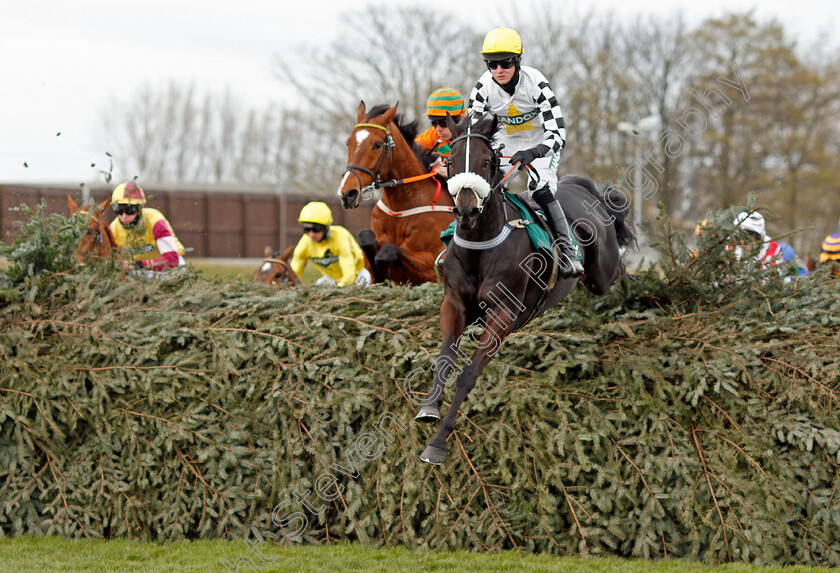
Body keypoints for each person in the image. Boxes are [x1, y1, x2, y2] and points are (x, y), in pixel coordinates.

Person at [467, 27, 583, 278]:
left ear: (518, 60)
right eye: (492, 64)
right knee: (480, 186)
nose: (499, 70)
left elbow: (559, 135)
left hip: (540, 142)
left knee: (540, 188)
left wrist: (534, 151)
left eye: (506, 62)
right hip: (504, 143)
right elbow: (473, 135)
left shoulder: (537, 83)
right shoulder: (481, 89)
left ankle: (568, 250)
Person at [108, 181, 186, 272]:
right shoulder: (112, 229)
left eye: (130, 210)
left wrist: (138, 265)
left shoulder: (155, 221)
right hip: (138, 271)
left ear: (140, 208)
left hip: (170, 269)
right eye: (118, 211)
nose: (124, 216)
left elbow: (172, 262)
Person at [290, 201, 371, 287]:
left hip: (358, 275)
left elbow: (349, 275)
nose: (311, 234)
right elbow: (294, 273)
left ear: (326, 227)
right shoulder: (305, 242)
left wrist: (337, 290)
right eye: (306, 229)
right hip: (332, 278)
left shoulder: (341, 237)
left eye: (316, 229)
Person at [415, 87, 466, 177]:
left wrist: (450, 173)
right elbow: (410, 150)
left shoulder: (474, 138)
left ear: (458, 120)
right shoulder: (432, 135)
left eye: (443, 123)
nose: (438, 129)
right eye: (434, 123)